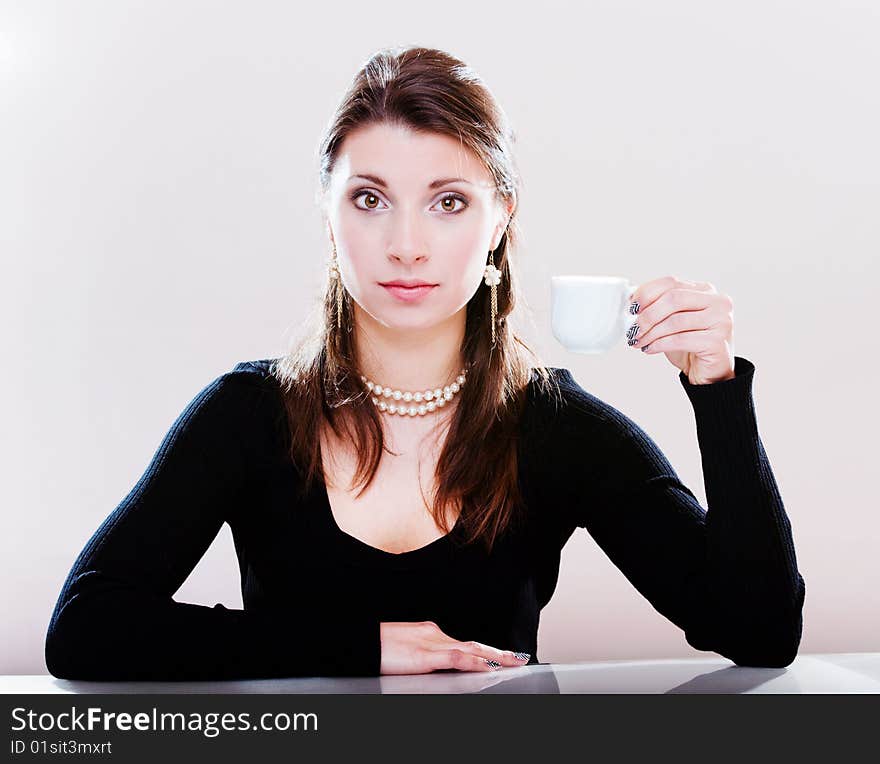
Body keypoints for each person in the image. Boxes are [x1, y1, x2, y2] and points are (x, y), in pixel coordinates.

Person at [44, 46, 805, 681]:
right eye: (370, 199)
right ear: (328, 213)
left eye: (448, 202)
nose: (406, 244)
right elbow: (87, 626)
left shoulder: (558, 429)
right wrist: (366, 647)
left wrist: (717, 388)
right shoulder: (249, 413)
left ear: (501, 216)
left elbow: (760, 630)